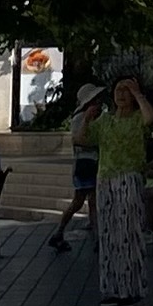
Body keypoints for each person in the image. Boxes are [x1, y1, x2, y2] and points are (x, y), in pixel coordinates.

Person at [88, 74, 153, 306]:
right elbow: (82, 138)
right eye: (118, 89)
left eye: (126, 90)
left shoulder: (139, 119)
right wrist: (85, 120)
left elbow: (150, 118)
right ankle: (111, 288)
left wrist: (139, 94)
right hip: (105, 179)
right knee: (108, 235)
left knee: (129, 233)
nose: (121, 94)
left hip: (129, 177)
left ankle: (131, 289)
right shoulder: (105, 121)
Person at [45, 99, 97, 253]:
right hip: (84, 163)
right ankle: (60, 231)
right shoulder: (80, 119)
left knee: (91, 201)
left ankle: (96, 237)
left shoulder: (96, 117)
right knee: (80, 201)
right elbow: (77, 140)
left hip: (91, 163)